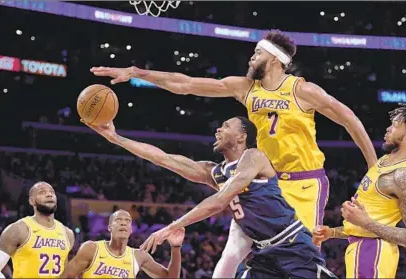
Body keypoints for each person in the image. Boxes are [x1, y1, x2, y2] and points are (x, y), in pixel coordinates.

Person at [90, 29, 376, 278]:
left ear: (274, 59)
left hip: (305, 182)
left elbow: (349, 118)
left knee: (301, 257)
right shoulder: (245, 88)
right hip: (263, 182)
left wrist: (373, 167)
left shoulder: (303, 90)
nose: (251, 58)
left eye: (257, 53)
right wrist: (138, 73)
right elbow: (186, 84)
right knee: (232, 252)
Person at [82, 116, 337, 278]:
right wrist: (115, 138)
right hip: (264, 254)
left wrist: (172, 226)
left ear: (242, 136)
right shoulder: (214, 171)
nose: (218, 129)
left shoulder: (253, 157)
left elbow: (219, 201)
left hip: (293, 245)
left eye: (226, 126)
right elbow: (162, 158)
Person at [312, 104, 406, 278]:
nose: (388, 128)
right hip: (362, 249)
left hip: (374, 253)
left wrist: (365, 223)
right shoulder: (384, 162)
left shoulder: (405, 176)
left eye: (395, 125)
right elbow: (365, 224)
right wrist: (332, 232)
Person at [60, 209, 183, 278]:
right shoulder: (91, 248)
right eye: (118, 220)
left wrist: (176, 247)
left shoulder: (139, 256)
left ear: (131, 229)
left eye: (127, 221)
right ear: (109, 228)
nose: (123, 223)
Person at [0, 182, 74, 278]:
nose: (49, 194)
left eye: (52, 192)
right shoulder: (18, 230)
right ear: (32, 201)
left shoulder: (68, 233)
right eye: (42, 192)